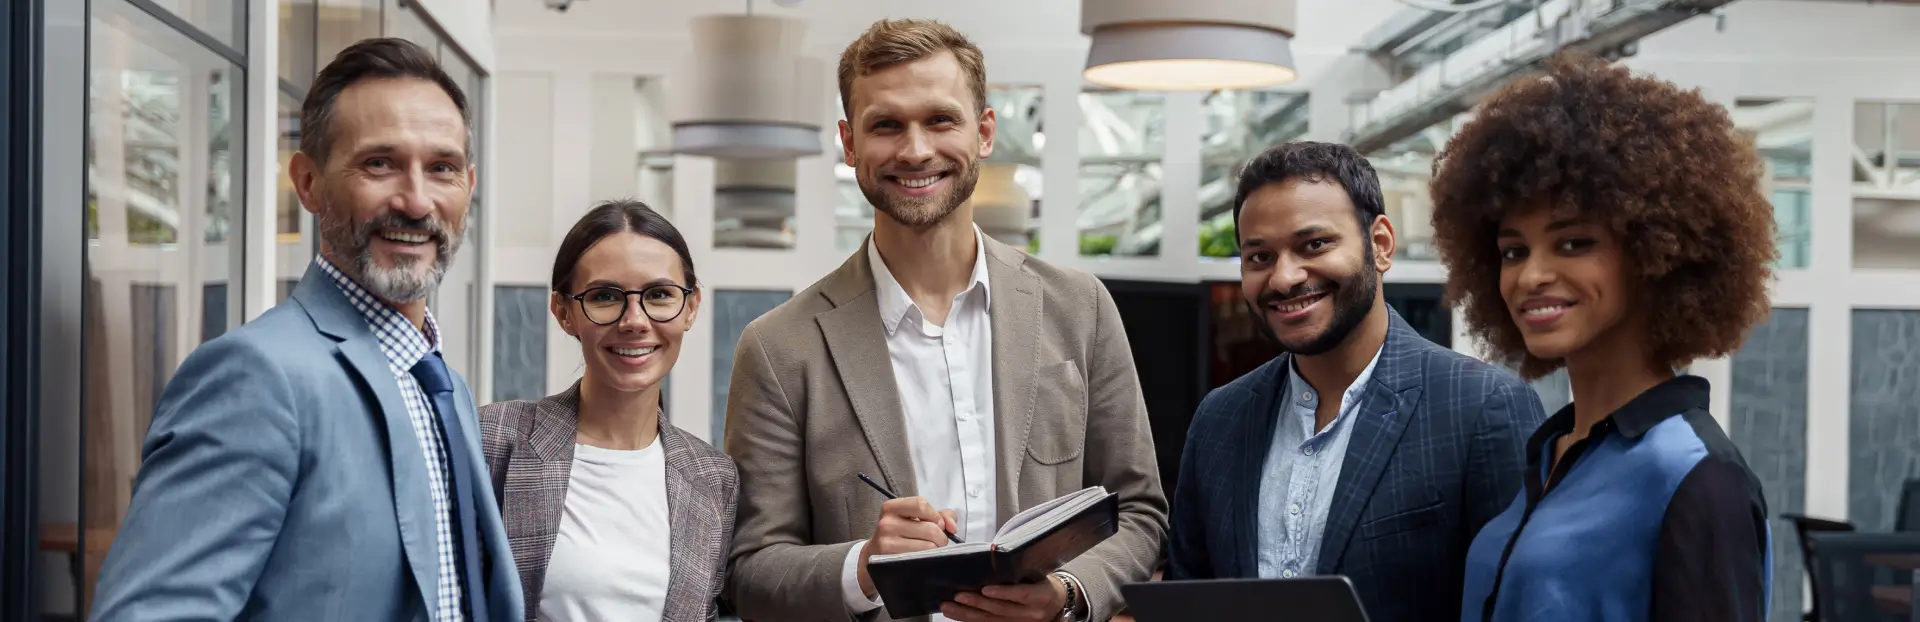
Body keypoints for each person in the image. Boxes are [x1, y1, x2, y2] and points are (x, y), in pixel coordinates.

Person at [722, 17, 1168, 622]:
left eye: (940, 119)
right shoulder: (779, 348)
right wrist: (864, 567)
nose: (915, 150)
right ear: (850, 144)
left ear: (984, 131)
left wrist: (1068, 595)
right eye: (886, 125)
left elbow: (1140, 514)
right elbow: (750, 572)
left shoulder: (1080, 308)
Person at [89, 38, 521, 620]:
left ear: (468, 187)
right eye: (380, 163)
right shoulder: (256, 378)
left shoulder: (445, 388)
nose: (417, 201)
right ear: (308, 182)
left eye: (441, 168)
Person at [1431, 52, 1773, 622]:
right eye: (1513, 251)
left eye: (1573, 243)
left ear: (1654, 254)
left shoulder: (1695, 476)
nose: (1531, 275)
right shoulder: (1550, 455)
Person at [1162, 141, 1547, 622]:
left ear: (1380, 244)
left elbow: (1518, 607)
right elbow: (1186, 598)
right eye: (1259, 257)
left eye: (1314, 245)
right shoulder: (1220, 418)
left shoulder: (1483, 407)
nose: (1283, 278)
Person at [478, 200, 738, 622]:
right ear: (563, 312)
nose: (634, 320)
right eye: (604, 296)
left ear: (691, 307)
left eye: (658, 295)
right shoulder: (493, 440)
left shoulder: (714, 478)